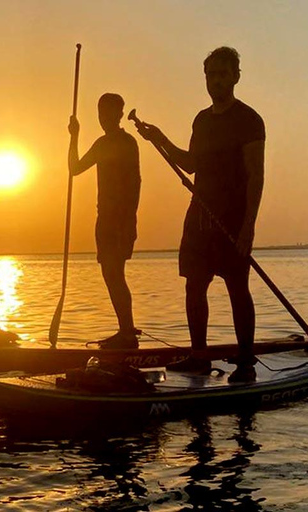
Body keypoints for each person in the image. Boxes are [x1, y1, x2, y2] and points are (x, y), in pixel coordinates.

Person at [137, 47, 265, 383]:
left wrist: (248, 227)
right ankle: (199, 356)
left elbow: (256, 176)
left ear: (236, 76)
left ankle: (246, 360)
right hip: (199, 215)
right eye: (211, 74)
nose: (216, 81)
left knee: (238, 286)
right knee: (195, 286)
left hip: (233, 217)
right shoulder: (201, 120)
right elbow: (192, 164)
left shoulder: (249, 120)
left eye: (223, 74)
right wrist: (159, 138)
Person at [68, 93, 141, 349]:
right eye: (100, 114)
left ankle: (127, 332)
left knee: (115, 273)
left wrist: (130, 221)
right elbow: (74, 168)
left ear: (119, 115)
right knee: (110, 274)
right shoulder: (100, 144)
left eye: (109, 114)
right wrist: (74, 136)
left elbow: (135, 184)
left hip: (121, 220)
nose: (104, 119)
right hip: (105, 219)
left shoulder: (127, 142)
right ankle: (126, 330)